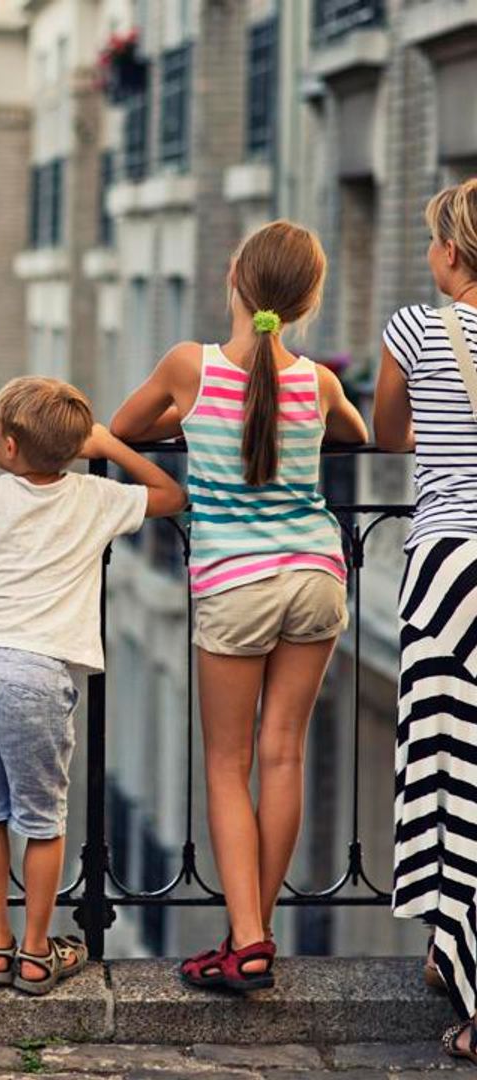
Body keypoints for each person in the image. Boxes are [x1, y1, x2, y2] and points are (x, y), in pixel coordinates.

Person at [110, 220, 368, 991]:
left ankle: (247, 938)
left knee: (229, 763)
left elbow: (123, 430)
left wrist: (190, 418)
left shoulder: (189, 367)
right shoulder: (317, 380)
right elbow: (353, 432)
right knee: (284, 751)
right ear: (308, 300)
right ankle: (257, 933)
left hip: (234, 582)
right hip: (317, 575)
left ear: (234, 277)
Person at [0, 376, 185, 995]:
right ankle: (35, 949)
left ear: (11, 447)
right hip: (35, 669)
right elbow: (170, 494)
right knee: (42, 820)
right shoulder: (95, 497)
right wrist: (109, 445)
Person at [374, 178, 477, 1064]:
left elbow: (388, 428)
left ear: (452, 251)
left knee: (451, 767)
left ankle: (465, 973)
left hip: (449, 569)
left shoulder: (416, 328)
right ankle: (458, 959)